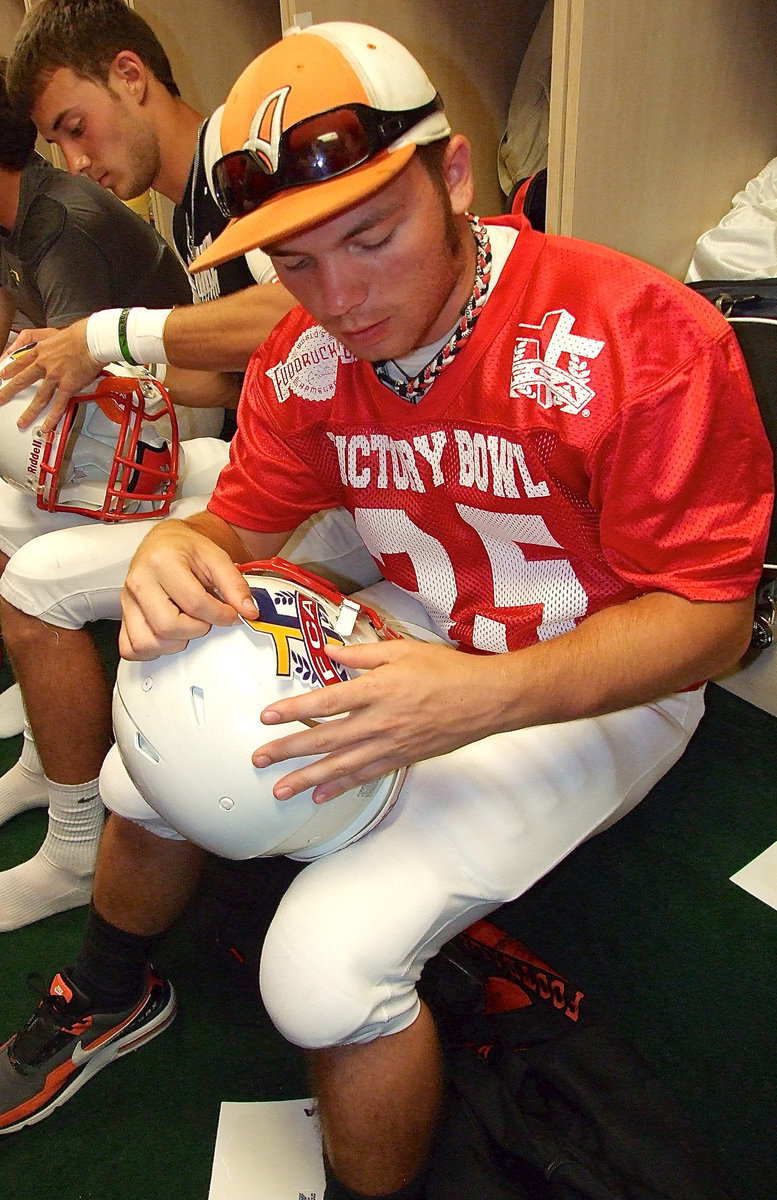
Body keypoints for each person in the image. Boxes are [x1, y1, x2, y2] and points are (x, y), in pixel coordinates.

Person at [0, 21, 772, 1200]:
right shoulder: (311, 352)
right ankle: (110, 992)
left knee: (318, 970)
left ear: (454, 176)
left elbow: (711, 623)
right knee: (137, 766)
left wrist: (477, 697)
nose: (341, 297)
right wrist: (177, 550)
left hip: (601, 671)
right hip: (417, 617)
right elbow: (236, 525)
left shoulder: (638, 332)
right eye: (298, 265)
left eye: (373, 235)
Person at [0, 1, 373, 931]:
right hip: (272, 458)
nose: (75, 161)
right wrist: (100, 369)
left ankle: (79, 837)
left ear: (130, 75)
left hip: (345, 489)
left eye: (74, 127)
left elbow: (309, 307)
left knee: (37, 579)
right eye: (55, 141)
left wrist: (109, 333)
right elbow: (218, 363)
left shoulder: (235, 164)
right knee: (36, 517)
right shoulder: (186, 201)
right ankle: (58, 766)